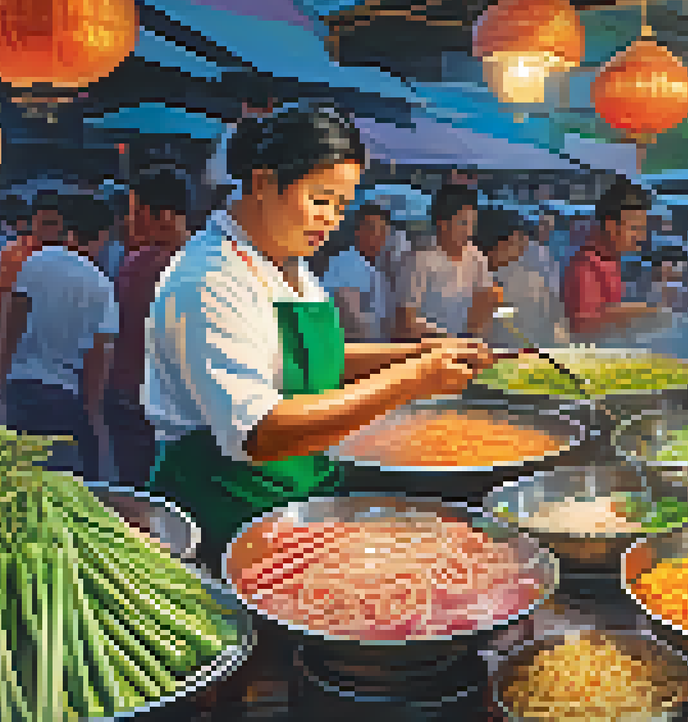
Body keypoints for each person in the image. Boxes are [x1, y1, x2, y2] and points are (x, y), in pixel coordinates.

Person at [143, 104, 495, 557]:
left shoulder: (289, 266)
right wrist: (416, 378)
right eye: (320, 199)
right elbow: (259, 432)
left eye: (341, 205)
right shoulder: (211, 276)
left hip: (301, 492)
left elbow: (314, 360)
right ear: (263, 182)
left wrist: (421, 352)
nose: (332, 219)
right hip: (229, 513)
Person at [0, 195, 118, 479]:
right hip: (65, 397)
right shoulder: (101, 285)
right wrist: (94, 416)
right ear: (103, 235)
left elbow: (10, 321)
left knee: (21, 477)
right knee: (60, 486)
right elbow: (100, 353)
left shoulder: (34, 263)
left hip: (20, 387)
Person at [106, 165, 193, 485]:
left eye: (135, 212)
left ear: (162, 216)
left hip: (135, 397)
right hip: (185, 407)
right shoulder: (207, 262)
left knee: (139, 497)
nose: (130, 221)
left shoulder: (140, 264)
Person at [395, 185, 504, 339]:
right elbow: (405, 322)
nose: (469, 232)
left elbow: (482, 308)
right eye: (463, 223)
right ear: (442, 223)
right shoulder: (418, 259)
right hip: (426, 350)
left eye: (472, 224)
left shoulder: (476, 257)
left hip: (464, 348)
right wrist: (447, 339)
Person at [562, 176, 663, 339]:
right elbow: (583, 325)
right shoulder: (586, 264)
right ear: (610, 225)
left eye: (643, 229)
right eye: (635, 228)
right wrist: (635, 314)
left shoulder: (610, 260)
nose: (641, 236)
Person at [0, 193, 64, 332]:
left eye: (53, 224)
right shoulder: (11, 254)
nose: (48, 231)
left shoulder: (71, 255)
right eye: (43, 224)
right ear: (32, 222)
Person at [480, 210, 563, 348]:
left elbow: (552, 321)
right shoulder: (474, 279)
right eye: (518, 238)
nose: (524, 244)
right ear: (500, 245)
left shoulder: (531, 281)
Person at [323, 203, 395, 342]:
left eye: (383, 230)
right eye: (373, 229)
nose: (379, 236)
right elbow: (352, 318)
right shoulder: (346, 263)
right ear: (358, 231)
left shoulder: (379, 269)